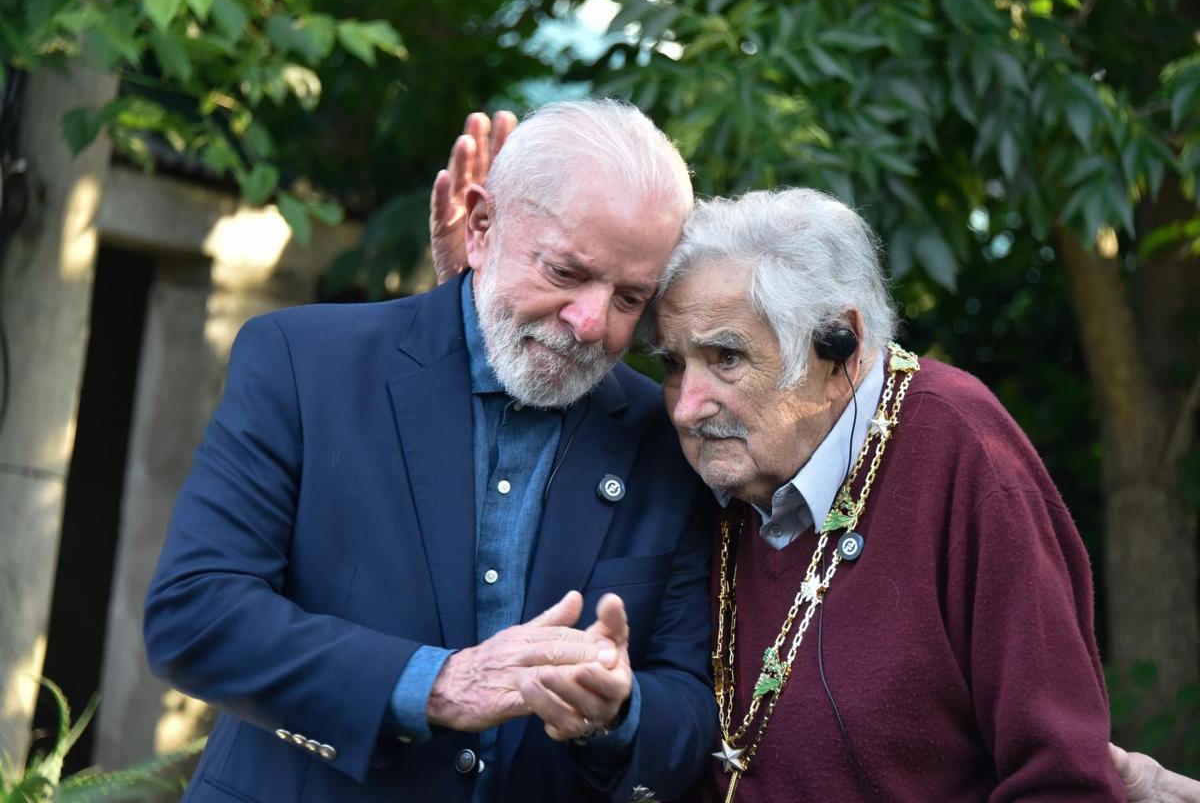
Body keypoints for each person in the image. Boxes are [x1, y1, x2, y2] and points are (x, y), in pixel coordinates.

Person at [142, 99, 718, 802]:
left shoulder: (664, 442)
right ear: (480, 227)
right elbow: (195, 615)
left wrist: (619, 716)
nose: (592, 323)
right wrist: (434, 685)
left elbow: (689, 709)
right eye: (565, 274)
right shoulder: (303, 362)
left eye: (631, 298)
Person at [649, 188, 1124, 800]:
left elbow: (1062, 780)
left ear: (837, 344)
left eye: (727, 358)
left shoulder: (959, 446)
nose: (688, 407)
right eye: (672, 366)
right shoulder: (715, 477)